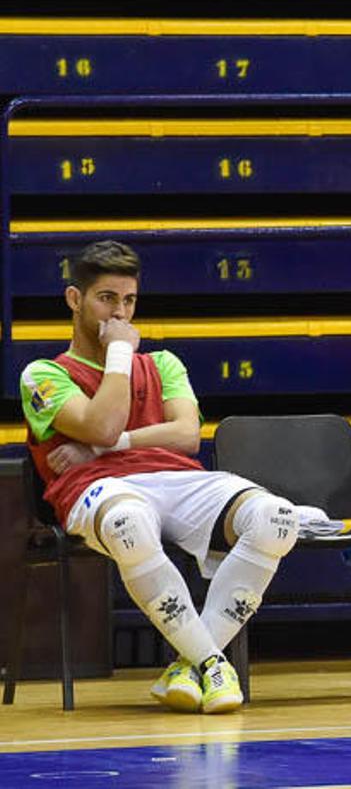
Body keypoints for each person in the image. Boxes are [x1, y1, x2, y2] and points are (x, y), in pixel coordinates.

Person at [20, 240, 329, 714]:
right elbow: (102, 422)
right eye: (107, 299)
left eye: (129, 301)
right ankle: (213, 663)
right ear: (74, 299)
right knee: (129, 524)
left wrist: (104, 446)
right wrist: (118, 356)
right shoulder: (43, 374)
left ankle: (188, 667)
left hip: (177, 477)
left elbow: (186, 435)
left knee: (277, 518)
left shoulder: (163, 363)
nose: (119, 314)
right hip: (99, 490)